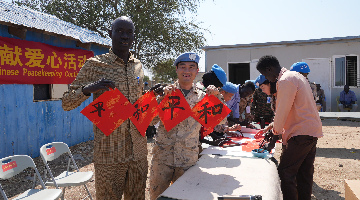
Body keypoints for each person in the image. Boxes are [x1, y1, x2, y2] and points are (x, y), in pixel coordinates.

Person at [62, 16, 148, 199]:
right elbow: (66, 102)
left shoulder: (138, 66)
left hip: (138, 152)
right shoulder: (95, 65)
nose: (125, 36)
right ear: (110, 34)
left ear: (133, 36)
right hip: (109, 153)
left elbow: (140, 103)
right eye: (120, 31)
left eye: (129, 32)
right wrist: (88, 89)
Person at [149, 53, 223, 200]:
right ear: (176, 70)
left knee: (186, 198)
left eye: (191, 67)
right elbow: (151, 121)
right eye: (182, 67)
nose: (187, 71)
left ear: (197, 71)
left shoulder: (203, 97)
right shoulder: (167, 93)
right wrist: (160, 99)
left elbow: (220, 123)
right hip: (163, 159)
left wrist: (216, 98)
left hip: (187, 160)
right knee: (157, 197)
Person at [256, 55, 323, 200]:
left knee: (285, 172)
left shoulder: (285, 79)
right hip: (310, 132)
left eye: (265, 74)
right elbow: (294, 108)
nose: (266, 78)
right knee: (303, 174)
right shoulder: (295, 77)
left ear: (269, 69)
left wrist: (274, 138)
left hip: (300, 134)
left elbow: (282, 110)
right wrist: (273, 127)